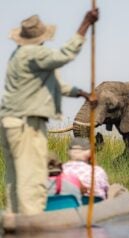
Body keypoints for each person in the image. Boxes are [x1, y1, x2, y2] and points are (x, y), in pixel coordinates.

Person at [0, 9, 99, 215]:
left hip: (10, 122)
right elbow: (66, 54)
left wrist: (82, 94)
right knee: (33, 177)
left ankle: (14, 220)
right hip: (27, 124)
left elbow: (58, 86)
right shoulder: (33, 53)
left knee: (15, 178)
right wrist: (85, 23)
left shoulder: (19, 55)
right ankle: (33, 224)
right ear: (40, 38)